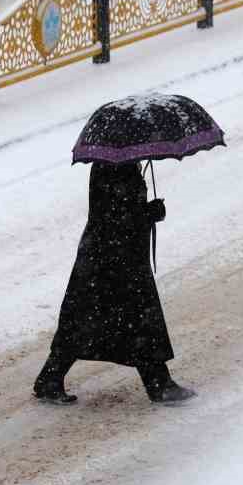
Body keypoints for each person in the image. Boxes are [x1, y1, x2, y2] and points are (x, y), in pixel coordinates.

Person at [35, 161, 195, 405]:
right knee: (135, 320)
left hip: (109, 258)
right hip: (113, 260)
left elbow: (120, 212)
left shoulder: (118, 164)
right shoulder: (115, 168)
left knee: (88, 321)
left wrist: (145, 211)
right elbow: (116, 217)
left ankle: (50, 378)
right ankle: (159, 384)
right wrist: (149, 213)